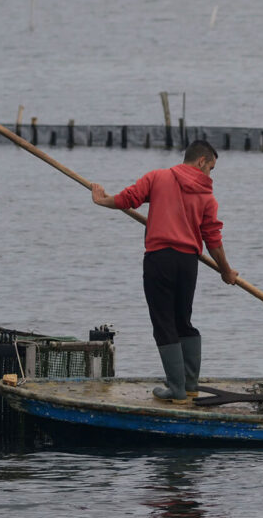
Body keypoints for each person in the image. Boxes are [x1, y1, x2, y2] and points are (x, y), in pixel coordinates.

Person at [90, 140, 238, 402]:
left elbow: (127, 199)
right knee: (183, 321)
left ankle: (177, 389)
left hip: (160, 259)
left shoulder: (158, 177)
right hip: (187, 263)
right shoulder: (207, 197)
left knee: (164, 322)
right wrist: (225, 270)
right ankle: (190, 385)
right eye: (211, 168)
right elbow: (212, 239)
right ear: (201, 161)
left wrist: (102, 200)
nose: (210, 175)